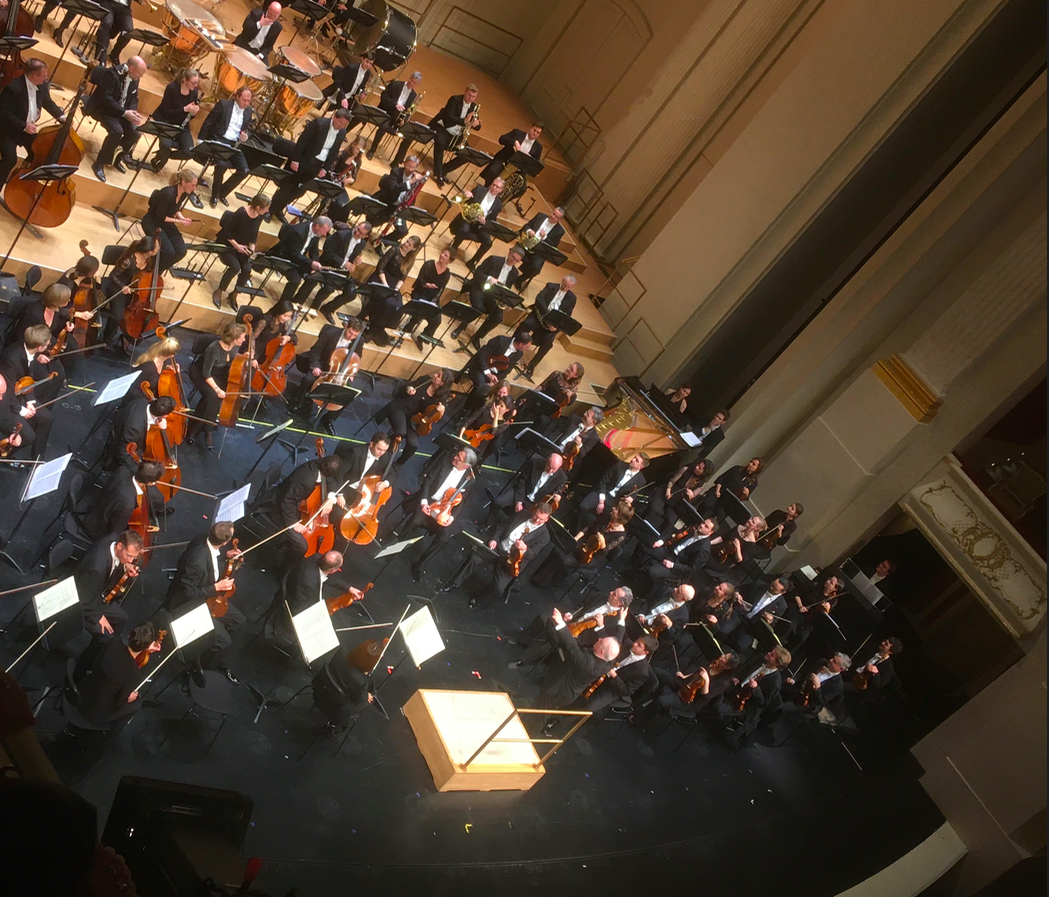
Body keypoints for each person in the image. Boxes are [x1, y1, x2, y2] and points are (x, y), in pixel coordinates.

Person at [165, 522, 245, 680]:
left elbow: (212, 563)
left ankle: (209, 654)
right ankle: (201, 671)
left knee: (240, 621)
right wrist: (216, 587)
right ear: (224, 542)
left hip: (207, 597)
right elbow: (188, 594)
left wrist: (225, 556)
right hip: (187, 605)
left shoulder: (204, 538)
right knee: (224, 640)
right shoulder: (197, 561)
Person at [532, 607, 621, 732]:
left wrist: (561, 624)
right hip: (567, 693)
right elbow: (612, 646)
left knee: (538, 715)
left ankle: (525, 733)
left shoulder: (588, 664)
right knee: (538, 710)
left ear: (601, 651)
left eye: (601, 642)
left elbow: (572, 647)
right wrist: (614, 622)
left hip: (558, 690)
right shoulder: (608, 662)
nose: (599, 639)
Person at [394, 447, 477, 578]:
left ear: (466, 466)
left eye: (458, 458)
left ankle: (419, 565)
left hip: (444, 509)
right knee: (415, 520)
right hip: (429, 500)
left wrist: (452, 517)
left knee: (443, 539)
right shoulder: (445, 461)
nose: (455, 457)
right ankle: (395, 546)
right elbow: (427, 482)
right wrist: (424, 502)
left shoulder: (469, 480)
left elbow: (461, 501)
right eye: (457, 455)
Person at [508, 586, 634, 670]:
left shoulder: (616, 621)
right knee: (543, 618)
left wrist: (600, 626)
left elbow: (609, 643)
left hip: (579, 639)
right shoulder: (601, 597)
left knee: (555, 640)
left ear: (620, 603)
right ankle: (523, 641)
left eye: (614, 594)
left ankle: (522, 661)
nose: (610, 593)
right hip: (572, 623)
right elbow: (582, 606)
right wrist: (571, 614)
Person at [451, 502, 552, 605]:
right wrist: (494, 539)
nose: (537, 520)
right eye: (536, 516)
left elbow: (532, 554)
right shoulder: (522, 514)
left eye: (541, 519)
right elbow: (502, 526)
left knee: (499, 588)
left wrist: (525, 548)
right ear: (534, 511)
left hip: (511, 561)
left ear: (547, 519)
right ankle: (455, 583)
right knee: (474, 557)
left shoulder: (544, 536)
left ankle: (477, 597)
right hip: (498, 547)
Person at [249, 455, 344, 563]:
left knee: (306, 531)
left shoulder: (318, 465)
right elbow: (286, 502)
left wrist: (331, 497)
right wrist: (294, 523)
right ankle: (284, 570)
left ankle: (285, 546)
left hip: (294, 505)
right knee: (302, 545)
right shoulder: (305, 481)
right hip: (279, 508)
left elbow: (330, 480)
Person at [270, 108, 351, 223]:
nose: (341, 126)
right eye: (340, 123)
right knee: (287, 187)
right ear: (334, 117)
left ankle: (279, 208)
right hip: (302, 160)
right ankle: (271, 209)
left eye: (344, 125)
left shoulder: (342, 132)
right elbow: (302, 142)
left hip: (316, 165)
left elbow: (334, 151)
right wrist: (295, 160)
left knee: (299, 191)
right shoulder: (318, 124)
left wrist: (325, 168)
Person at [393, 84, 481, 186]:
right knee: (440, 142)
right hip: (444, 128)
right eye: (469, 95)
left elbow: (478, 126)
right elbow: (448, 118)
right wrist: (464, 121)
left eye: (473, 97)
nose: (470, 98)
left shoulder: (474, 107)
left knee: (467, 155)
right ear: (465, 92)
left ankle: (442, 170)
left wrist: (476, 124)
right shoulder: (454, 100)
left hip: (457, 134)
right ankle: (439, 175)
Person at [76, 622, 162, 724]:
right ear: (146, 648)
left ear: (130, 636)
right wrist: (128, 699)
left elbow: (96, 663)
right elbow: (118, 704)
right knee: (136, 704)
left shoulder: (114, 642)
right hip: (93, 712)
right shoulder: (134, 674)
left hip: (82, 690)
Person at [291, 316, 363, 431]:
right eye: (350, 333)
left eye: (355, 335)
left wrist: (352, 373)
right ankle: (299, 403)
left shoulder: (358, 341)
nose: (352, 337)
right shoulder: (330, 333)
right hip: (323, 365)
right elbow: (316, 350)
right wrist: (315, 366)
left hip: (342, 371)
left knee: (348, 394)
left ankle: (328, 418)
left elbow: (357, 357)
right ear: (345, 326)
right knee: (309, 379)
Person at [0, 58, 66, 185]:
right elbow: (4, 114)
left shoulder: (41, 86)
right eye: (43, 76)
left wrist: (61, 116)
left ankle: (18, 181)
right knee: (10, 159)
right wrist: (24, 126)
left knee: (39, 152)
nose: (45, 79)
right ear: (33, 75)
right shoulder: (13, 88)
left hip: (27, 131)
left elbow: (48, 102)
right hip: (8, 130)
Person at [185, 322, 248, 450]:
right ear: (234, 338)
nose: (244, 339)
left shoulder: (235, 347)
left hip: (219, 373)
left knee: (211, 398)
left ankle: (194, 427)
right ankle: (208, 429)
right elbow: (206, 373)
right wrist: (217, 389)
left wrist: (245, 357)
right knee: (213, 395)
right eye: (242, 337)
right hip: (201, 372)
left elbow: (233, 358)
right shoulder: (214, 349)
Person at [374, 367, 453, 470]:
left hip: (415, 420)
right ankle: (386, 453)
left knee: (413, 444)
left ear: (442, 383)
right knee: (401, 432)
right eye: (437, 373)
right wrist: (408, 389)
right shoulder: (424, 380)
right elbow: (406, 386)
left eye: (438, 376)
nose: (434, 375)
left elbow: (436, 416)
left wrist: (441, 410)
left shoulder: (441, 398)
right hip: (401, 409)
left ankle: (399, 464)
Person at [73, 530, 144, 642]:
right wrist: (98, 616)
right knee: (106, 637)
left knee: (122, 619)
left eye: (133, 557)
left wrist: (126, 566)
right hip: (83, 602)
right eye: (128, 556)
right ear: (120, 546)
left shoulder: (114, 538)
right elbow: (84, 599)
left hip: (97, 594)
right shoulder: (97, 567)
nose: (130, 560)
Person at [85, 56, 147, 182]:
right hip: (103, 109)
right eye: (140, 73)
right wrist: (125, 113)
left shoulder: (134, 78)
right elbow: (106, 99)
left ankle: (116, 158)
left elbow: (134, 97)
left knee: (134, 133)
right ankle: (99, 163)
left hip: (120, 111)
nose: (140, 77)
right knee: (117, 131)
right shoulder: (111, 74)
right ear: (131, 68)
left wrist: (132, 112)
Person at [262, 550, 344, 644]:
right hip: (290, 612)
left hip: (294, 594)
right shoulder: (310, 585)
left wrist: (349, 588)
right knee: (324, 634)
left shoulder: (315, 557)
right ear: (333, 571)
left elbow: (326, 576)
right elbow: (300, 607)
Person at [99, 235, 158, 352]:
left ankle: (127, 339)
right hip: (118, 287)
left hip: (134, 290)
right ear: (150, 252)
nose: (159, 249)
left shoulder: (149, 260)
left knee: (141, 317)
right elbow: (112, 275)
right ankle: (106, 340)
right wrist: (123, 286)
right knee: (117, 316)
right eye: (157, 247)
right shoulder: (128, 260)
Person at [725, 645, 792, 748]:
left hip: (748, 703)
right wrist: (738, 678)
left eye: (772, 655)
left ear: (777, 663)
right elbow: (745, 670)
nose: (769, 653)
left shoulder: (775, 682)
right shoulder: (760, 660)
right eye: (771, 651)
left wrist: (756, 689)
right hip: (738, 688)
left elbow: (763, 703)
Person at [457, 246, 524, 347]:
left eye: (516, 260)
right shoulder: (493, 260)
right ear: (509, 252)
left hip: (493, 297)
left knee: (498, 317)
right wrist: (489, 278)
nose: (513, 261)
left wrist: (508, 303)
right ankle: (461, 326)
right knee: (478, 307)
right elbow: (478, 273)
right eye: (512, 257)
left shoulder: (514, 273)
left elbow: (507, 289)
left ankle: (477, 337)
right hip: (480, 289)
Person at [200, 86, 255, 207]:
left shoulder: (248, 111)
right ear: (237, 96)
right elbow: (208, 122)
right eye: (244, 100)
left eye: (248, 101)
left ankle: (222, 192)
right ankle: (214, 195)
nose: (246, 103)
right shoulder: (224, 105)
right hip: (219, 140)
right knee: (221, 165)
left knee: (244, 170)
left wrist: (246, 136)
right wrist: (201, 140)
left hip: (233, 144)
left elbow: (248, 129)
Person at [213, 194, 270, 310]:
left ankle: (234, 294)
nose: (267, 210)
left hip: (242, 247)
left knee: (247, 269)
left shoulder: (259, 217)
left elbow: (254, 235)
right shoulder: (241, 213)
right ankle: (219, 290)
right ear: (258, 207)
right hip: (227, 244)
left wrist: (252, 248)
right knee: (235, 266)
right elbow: (226, 231)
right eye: (266, 208)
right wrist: (237, 246)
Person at [81, 461, 164, 541]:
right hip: (96, 529)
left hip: (95, 508)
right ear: (151, 483)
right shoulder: (128, 504)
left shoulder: (122, 470)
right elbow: (115, 532)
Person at [305, 220, 372, 321]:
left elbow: (351, 256)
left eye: (361, 233)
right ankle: (314, 306)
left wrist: (356, 260)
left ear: (365, 236)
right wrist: (343, 263)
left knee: (352, 293)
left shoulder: (361, 244)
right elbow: (328, 251)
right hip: (330, 266)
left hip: (343, 272)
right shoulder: (341, 235)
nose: (357, 233)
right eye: (357, 229)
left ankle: (327, 309)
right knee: (329, 288)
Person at [360, 235, 420, 345]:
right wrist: (386, 285)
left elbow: (403, 278)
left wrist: (396, 289)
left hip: (394, 284)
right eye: (407, 241)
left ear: (414, 249)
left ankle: (380, 331)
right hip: (381, 278)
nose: (406, 244)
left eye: (409, 244)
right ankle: (372, 330)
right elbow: (380, 267)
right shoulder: (394, 250)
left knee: (398, 308)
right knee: (386, 303)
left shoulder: (410, 260)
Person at [581, 635, 658, 716]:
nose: (635, 644)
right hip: (602, 672)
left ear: (646, 652)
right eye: (637, 641)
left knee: (588, 708)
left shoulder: (642, 672)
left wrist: (614, 676)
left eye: (639, 645)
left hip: (611, 690)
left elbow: (627, 691)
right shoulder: (627, 645)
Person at [457, 331, 531, 415]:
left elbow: (507, 370)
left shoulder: (519, 354)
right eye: (526, 346)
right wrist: (487, 373)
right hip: (480, 368)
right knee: (482, 387)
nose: (526, 349)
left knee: (496, 392)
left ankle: (478, 414)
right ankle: (465, 411)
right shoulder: (500, 340)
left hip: (495, 376)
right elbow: (482, 355)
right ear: (520, 344)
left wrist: (495, 380)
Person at [140, 168, 199, 274]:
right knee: (169, 252)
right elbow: (160, 217)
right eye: (193, 185)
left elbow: (175, 209)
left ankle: (157, 270)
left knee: (181, 251)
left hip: (166, 223)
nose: (194, 188)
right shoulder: (167, 194)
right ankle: (150, 269)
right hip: (152, 222)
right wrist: (178, 221)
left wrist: (182, 218)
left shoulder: (184, 193)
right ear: (184, 182)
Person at [265, 215, 333, 305]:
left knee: (315, 278)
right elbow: (294, 255)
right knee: (295, 280)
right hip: (284, 257)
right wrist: (311, 263)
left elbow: (314, 251)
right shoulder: (298, 232)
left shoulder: (316, 233)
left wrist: (315, 265)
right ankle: (283, 305)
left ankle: (297, 303)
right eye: (325, 231)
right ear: (317, 226)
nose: (325, 235)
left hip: (298, 259)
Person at [574, 452, 649, 531]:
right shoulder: (620, 465)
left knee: (601, 523)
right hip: (603, 493)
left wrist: (631, 499)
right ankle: (578, 530)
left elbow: (633, 495)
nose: (633, 460)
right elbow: (604, 481)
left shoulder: (641, 481)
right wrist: (601, 501)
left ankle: (586, 533)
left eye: (636, 460)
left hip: (614, 503)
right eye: (634, 457)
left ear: (641, 467)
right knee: (583, 506)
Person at [518, 274, 577, 376]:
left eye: (568, 287)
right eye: (564, 284)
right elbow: (539, 299)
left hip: (552, 324)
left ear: (571, 287)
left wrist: (555, 326)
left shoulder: (572, 298)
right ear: (562, 280)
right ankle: (514, 346)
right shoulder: (551, 286)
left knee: (548, 344)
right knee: (526, 324)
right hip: (540, 315)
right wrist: (547, 314)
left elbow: (567, 315)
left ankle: (531, 367)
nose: (565, 287)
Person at [149, 68, 201, 175]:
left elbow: (190, 116)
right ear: (184, 80)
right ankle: (162, 159)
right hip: (166, 122)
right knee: (165, 145)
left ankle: (163, 155)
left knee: (189, 152)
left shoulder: (194, 92)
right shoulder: (172, 88)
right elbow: (165, 111)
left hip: (182, 125)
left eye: (197, 83)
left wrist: (193, 114)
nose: (195, 86)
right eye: (193, 83)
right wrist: (184, 109)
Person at [105, 394, 176, 470]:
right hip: (121, 451)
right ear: (165, 416)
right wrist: (138, 473)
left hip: (123, 426)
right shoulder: (135, 430)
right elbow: (123, 453)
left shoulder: (141, 400)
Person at [644, 458, 714, 534]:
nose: (696, 467)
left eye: (700, 468)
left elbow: (692, 496)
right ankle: (642, 522)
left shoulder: (701, 483)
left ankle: (656, 536)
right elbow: (672, 481)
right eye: (698, 465)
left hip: (675, 502)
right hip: (666, 491)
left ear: (703, 473)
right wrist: (668, 490)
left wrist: (690, 494)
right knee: (654, 508)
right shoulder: (685, 469)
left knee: (671, 520)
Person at [312, 654, 375, 736]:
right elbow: (359, 698)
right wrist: (366, 696)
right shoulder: (361, 683)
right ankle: (334, 726)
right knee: (367, 703)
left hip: (319, 691)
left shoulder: (343, 652)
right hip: (332, 710)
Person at [403, 247, 453, 350]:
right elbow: (419, 280)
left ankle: (422, 338)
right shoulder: (429, 265)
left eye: (445, 255)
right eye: (442, 253)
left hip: (432, 298)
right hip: (420, 292)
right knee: (420, 310)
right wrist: (426, 285)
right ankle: (407, 329)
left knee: (437, 320)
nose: (442, 255)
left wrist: (434, 302)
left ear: (450, 261)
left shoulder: (447, 274)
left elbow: (440, 290)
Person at [449, 178, 504, 268]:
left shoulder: (498, 204)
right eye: (493, 184)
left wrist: (485, 221)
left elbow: (492, 219)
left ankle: (473, 262)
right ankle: (453, 249)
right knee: (464, 230)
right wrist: (466, 194)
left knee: (488, 242)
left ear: (501, 190)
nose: (494, 187)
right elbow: (466, 200)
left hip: (480, 225)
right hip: (467, 218)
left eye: (497, 187)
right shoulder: (479, 189)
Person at [366, 71, 421, 161]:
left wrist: (404, 121)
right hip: (387, 113)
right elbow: (384, 97)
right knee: (383, 127)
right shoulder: (395, 84)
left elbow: (409, 111)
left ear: (417, 84)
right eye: (411, 80)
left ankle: (396, 161)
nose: (411, 83)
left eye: (414, 82)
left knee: (410, 137)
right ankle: (372, 150)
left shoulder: (414, 96)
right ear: (409, 77)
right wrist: (395, 104)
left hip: (398, 120)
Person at [0, 371, 50, 460]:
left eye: (2, 394)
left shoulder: (2, 399)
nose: (1, 398)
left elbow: (5, 419)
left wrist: (14, 433)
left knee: (29, 435)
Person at [515, 207, 566, 292]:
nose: (553, 217)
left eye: (556, 217)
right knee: (516, 252)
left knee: (536, 268)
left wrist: (544, 237)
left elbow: (553, 246)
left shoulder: (559, 231)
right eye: (553, 213)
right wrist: (529, 231)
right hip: (526, 243)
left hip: (538, 251)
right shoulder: (540, 216)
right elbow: (527, 225)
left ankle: (519, 280)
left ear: (560, 220)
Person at [785, 653, 851, 717]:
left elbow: (820, 701)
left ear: (841, 669)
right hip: (798, 688)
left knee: (782, 707)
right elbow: (804, 672)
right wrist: (794, 680)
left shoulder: (838, 685)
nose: (830, 660)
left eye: (834, 661)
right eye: (833, 658)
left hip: (807, 703)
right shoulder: (822, 662)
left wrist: (818, 687)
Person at [477, 122, 543, 185]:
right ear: (530, 128)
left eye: (538, 133)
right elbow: (501, 139)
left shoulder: (538, 147)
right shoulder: (517, 133)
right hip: (504, 160)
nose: (535, 133)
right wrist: (514, 142)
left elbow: (535, 163)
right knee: (493, 171)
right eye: (534, 130)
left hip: (518, 169)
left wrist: (529, 158)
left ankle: (502, 196)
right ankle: (487, 187)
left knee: (522, 189)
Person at [129, 333, 181, 402]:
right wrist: (151, 400)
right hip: (140, 401)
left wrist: (168, 368)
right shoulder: (148, 367)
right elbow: (134, 389)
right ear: (171, 355)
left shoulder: (162, 359)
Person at [549, 405, 603, 470]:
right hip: (554, 446)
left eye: (588, 415)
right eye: (586, 411)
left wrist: (580, 445)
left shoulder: (594, 437)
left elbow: (583, 455)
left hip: (564, 459)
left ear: (593, 421)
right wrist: (550, 441)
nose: (584, 414)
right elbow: (559, 429)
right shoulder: (574, 418)